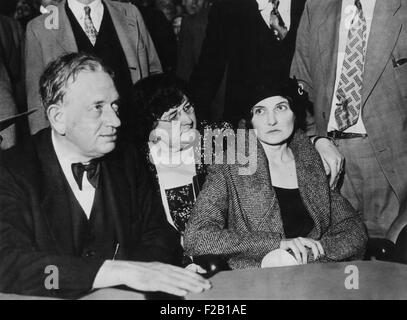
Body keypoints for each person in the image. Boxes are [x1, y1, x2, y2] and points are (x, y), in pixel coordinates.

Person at [0, 53, 211, 298]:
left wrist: (126, 286)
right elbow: (8, 262)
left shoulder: (125, 158)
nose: (115, 121)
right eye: (97, 108)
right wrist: (112, 273)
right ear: (58, 118)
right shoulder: (11, 171)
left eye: (114, 106)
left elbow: (159, 235)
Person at [184, 79, 368, 269]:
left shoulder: (311, 160)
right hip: (256, 281)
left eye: (280, 107)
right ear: (249, 120)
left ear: (294, 114)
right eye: (260, 111)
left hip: (315, 276)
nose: (271, 120)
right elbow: (197, 236)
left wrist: (308, 254)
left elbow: (353, 229)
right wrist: (275, 244)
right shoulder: (229, 164)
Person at [290, 0, 407, 243]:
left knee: (390, 271)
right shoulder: (317, 6)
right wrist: (316, 140)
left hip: (392, 168)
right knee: (338, 271)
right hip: (329, 162)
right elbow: (301, 84)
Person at [25, 0, 162, 139]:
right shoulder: (40, 27)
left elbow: (154, 76)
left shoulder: (130, 13)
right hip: (78, 144)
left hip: (134, 134)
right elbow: (36, 104)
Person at [132, 73, 232, 245]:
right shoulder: (136, 165)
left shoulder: (217, 143)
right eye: (172, 116)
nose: (187, 120)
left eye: (187, 108)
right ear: (150, 125)